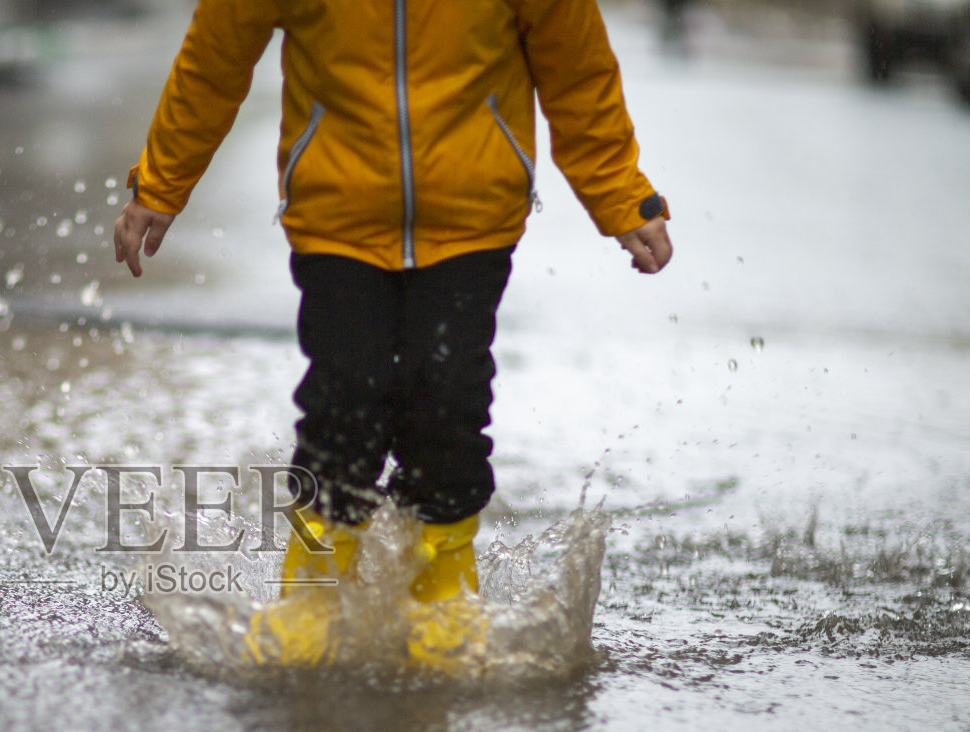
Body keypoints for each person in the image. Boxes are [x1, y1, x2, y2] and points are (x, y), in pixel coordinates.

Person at [113, 0, 672, 668]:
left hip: (471, 221)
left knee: (448, 400)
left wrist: (619, 195)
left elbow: (577, 72)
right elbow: (214, 61)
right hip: (337, 218)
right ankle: (311, 593)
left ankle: (441, 590)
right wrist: (160, 184)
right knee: (345, 396)